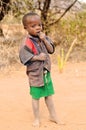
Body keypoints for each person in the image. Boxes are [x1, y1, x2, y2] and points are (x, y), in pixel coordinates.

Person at [19, 12, 58, 127]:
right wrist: (37, 57)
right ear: (26, 28)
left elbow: (51, 50)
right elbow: (23, 57)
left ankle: (53, 115)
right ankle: (36, 118)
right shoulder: (26, 41)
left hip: (46, 72)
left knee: (49, 95)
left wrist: (45, 39)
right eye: (33, 26)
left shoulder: (44, 37)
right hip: (35, 74)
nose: (37, 28)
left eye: (39, 25)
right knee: (36, 97)